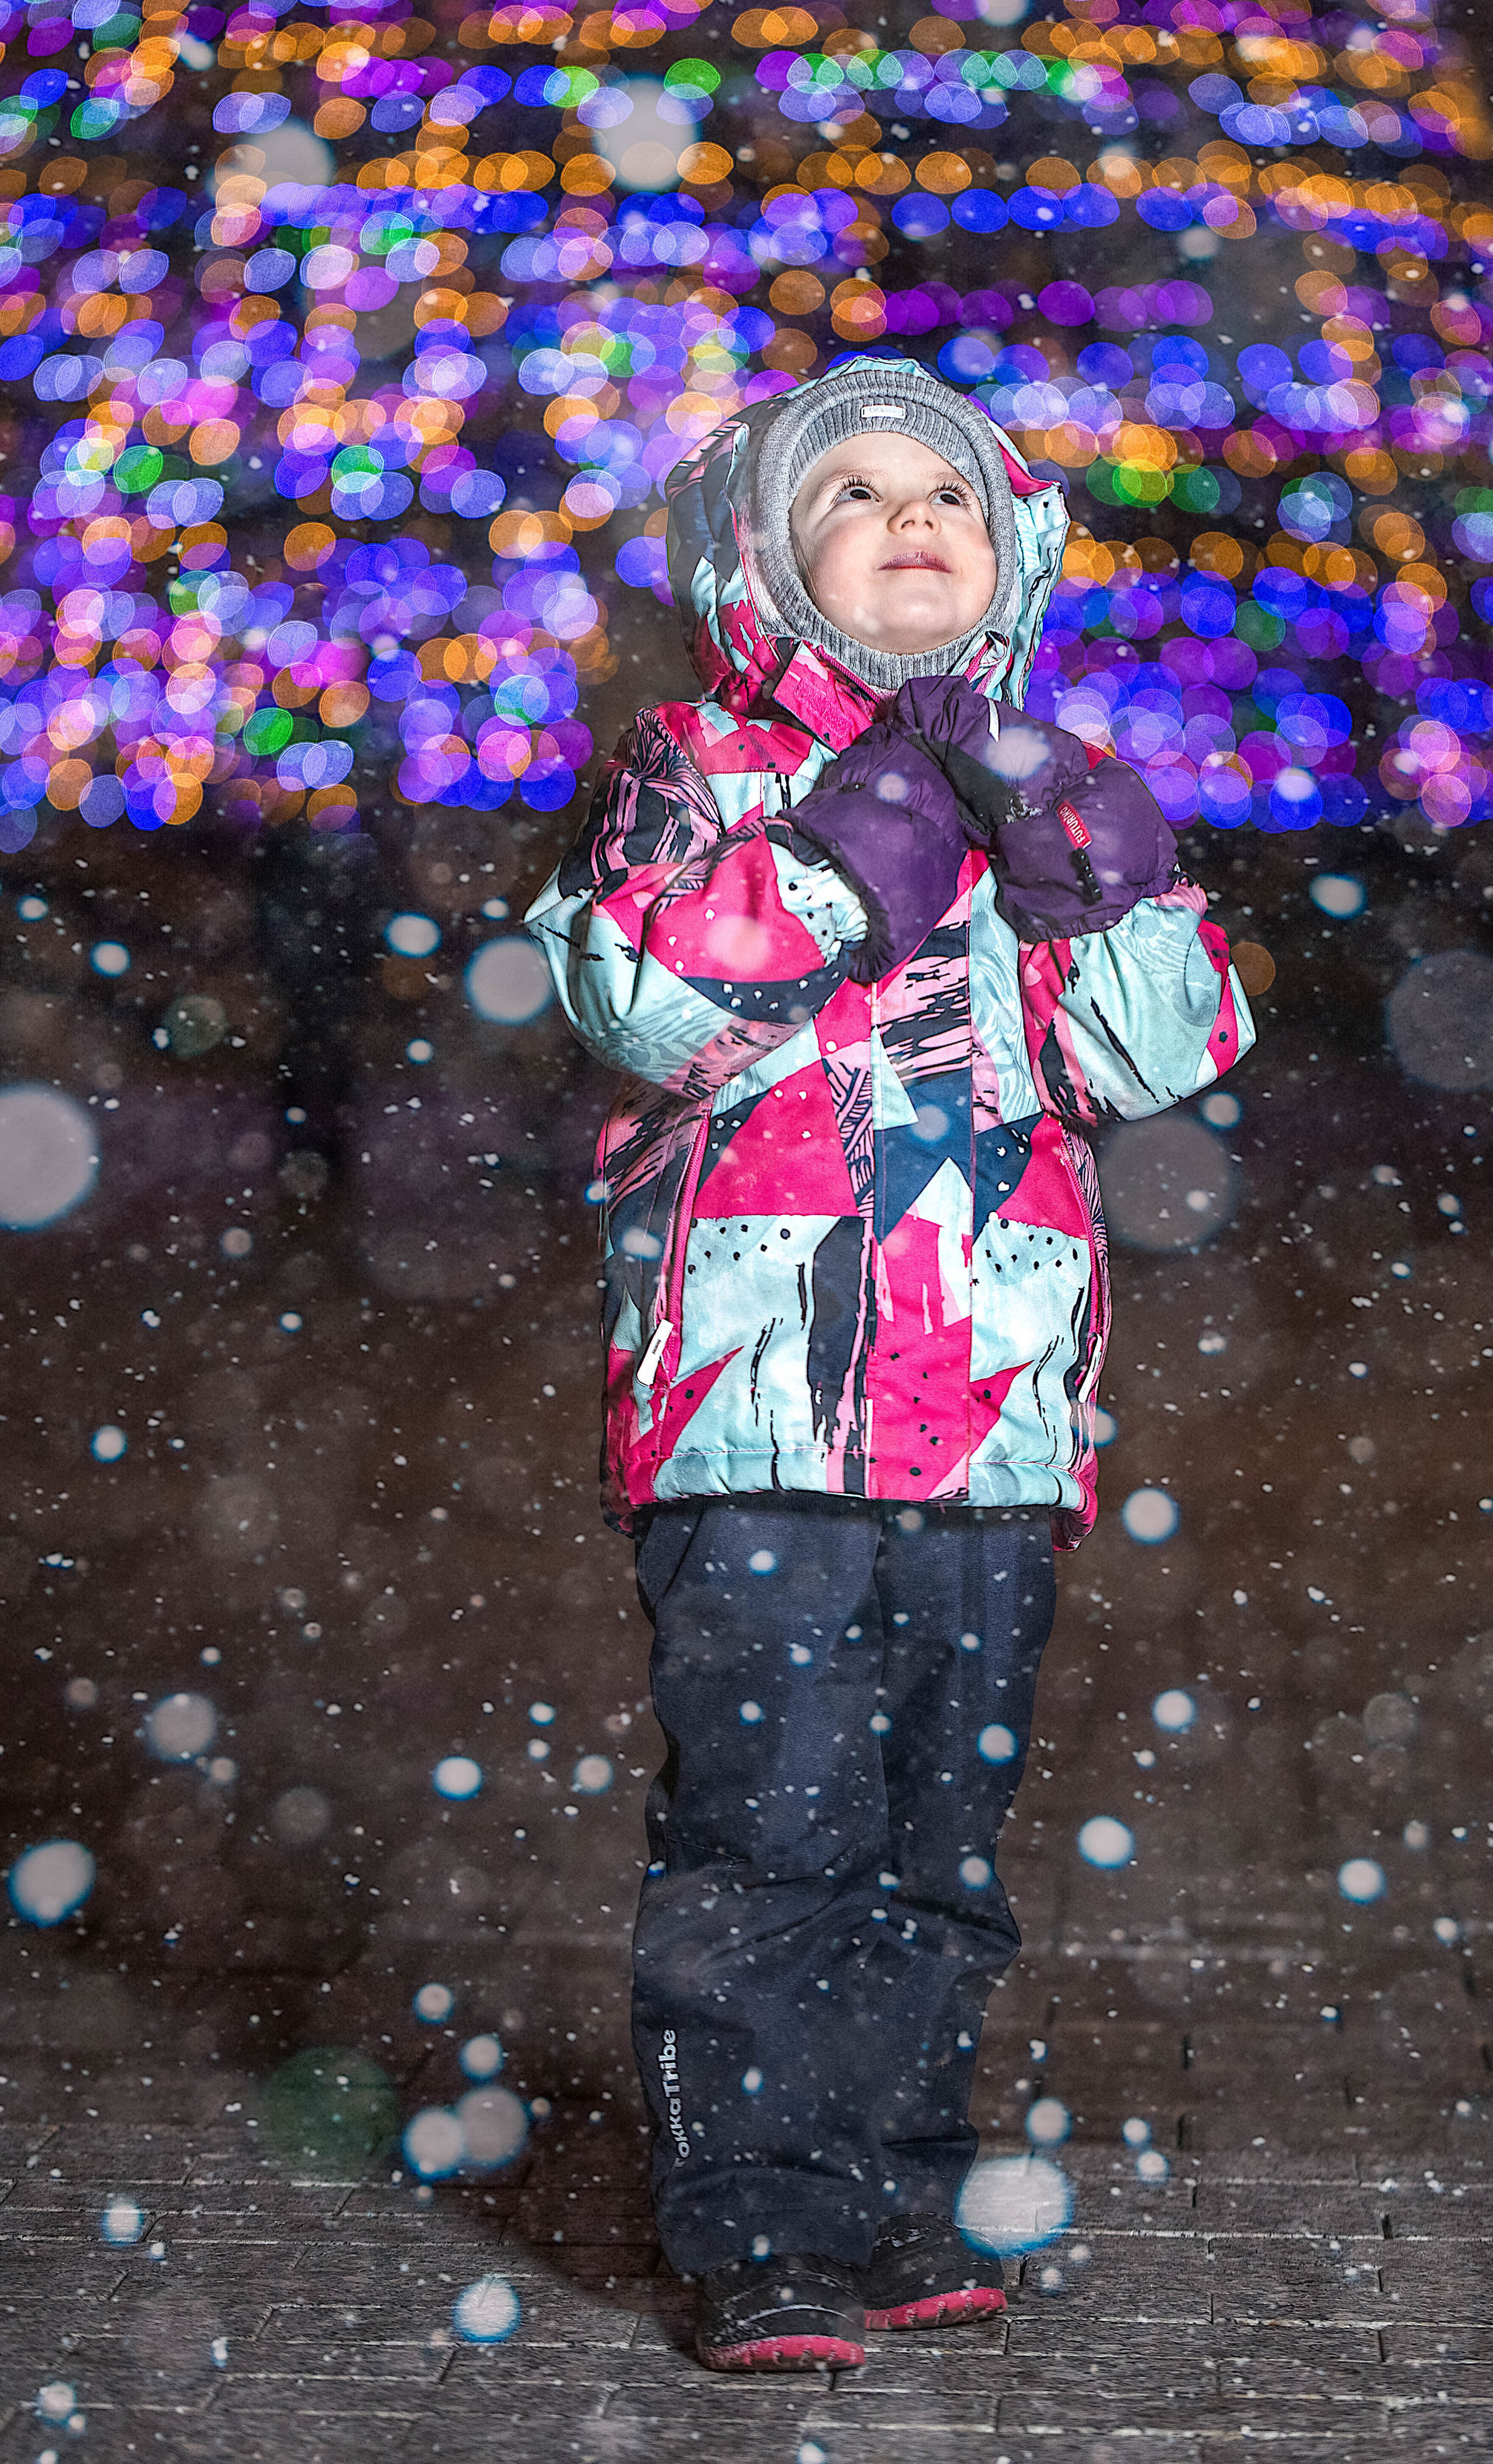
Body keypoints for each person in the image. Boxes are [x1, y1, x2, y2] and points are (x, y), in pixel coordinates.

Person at [527, 355, 1254, 2373]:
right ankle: (760, 2218)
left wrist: (1101, 871)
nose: (905, 514)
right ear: (766, 560)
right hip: (756, 1401)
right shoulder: (689, 767)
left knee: (943, 1834)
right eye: (846, 491)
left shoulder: (1053, 769)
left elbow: (1163, 1052)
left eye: (942, 489)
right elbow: (637, 1000)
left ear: (1011, 545)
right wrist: (835, 868)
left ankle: (904, 2175)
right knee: (774, 1824)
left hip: (995, 1412)